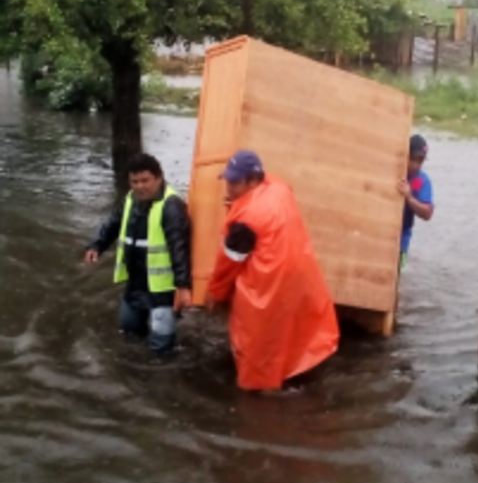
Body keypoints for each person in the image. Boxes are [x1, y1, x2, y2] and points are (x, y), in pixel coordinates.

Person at [205, 150, 340, 392]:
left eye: (235, 183)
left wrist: (215, 294)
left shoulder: (246, 220)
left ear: (253, 181)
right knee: (292, 337)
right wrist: (237, 203)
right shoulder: (278, 187)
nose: (229, 187)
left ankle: (263, 404)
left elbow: (229, 264)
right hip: (299, 279)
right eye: (228, 180)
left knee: (259, 352)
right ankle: (294, 378)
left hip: (268, 288)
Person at [84, 153, 192, 356]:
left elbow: (180, 249)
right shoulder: (130, 200)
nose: (140, 186)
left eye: (145, 181)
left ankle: (161, 379)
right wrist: (96, 246)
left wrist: (183, 286)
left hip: (163, 290)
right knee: (129, 332)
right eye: (135, 182)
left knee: (160, 346)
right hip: (136, 282)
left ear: (158, 178)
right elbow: (113, 224)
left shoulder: (172, 206)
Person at [397, 134, 434, 270]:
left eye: (420, 161)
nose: (416, 165)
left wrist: (409, 197)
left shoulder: (420, 181)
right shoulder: (393, 172)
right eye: (413, 159)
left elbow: (428, 213)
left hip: (402, 242)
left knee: (396, 276)